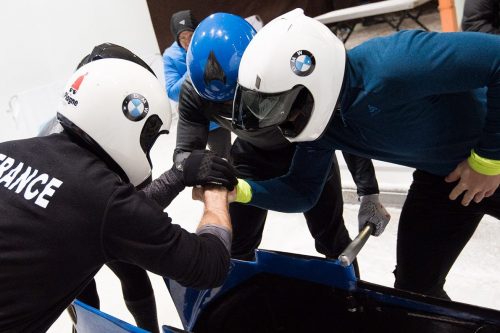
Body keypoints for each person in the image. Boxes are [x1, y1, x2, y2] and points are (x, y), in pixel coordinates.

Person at [229, 9, 500, 299]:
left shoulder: (396, 62)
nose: (284, 123)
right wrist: (238, 190)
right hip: (444, 178)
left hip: (490, 152)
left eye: (284, 107)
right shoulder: (322, 129)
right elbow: (302, 190)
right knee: (415, 290)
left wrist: (487, 160)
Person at [0, 44, 238, 332]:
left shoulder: (9, 149)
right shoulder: (102, 198)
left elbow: (109, 215)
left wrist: (178, 174)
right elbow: (209, 265)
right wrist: (216, 196)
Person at [177, 12, 390, 266]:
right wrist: (199, 169)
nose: (231, 107)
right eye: (219, 101)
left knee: (332, 239)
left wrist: (368, 191)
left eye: (236, 94)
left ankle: (352, 301)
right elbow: (185, 151)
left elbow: (337, 122)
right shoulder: (193, 92)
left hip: (308, 147)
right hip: (251, 155)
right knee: (236, 244)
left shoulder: (281, 67)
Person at [39, 43, 162, 333]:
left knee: (125, 277)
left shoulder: (53, 126)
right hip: (72, 221)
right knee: (95, 283)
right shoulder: (52, 131)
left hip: (87, 217)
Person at [163, 10, 231, 159]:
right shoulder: (170, 56)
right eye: (182, 38)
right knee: (191, 163)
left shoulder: (209, 43)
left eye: (191, 35)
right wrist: (193, 67)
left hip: (216, 117)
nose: (187, 41)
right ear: (176, 39)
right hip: (191, 118)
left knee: (224, 158)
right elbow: (172, 92)